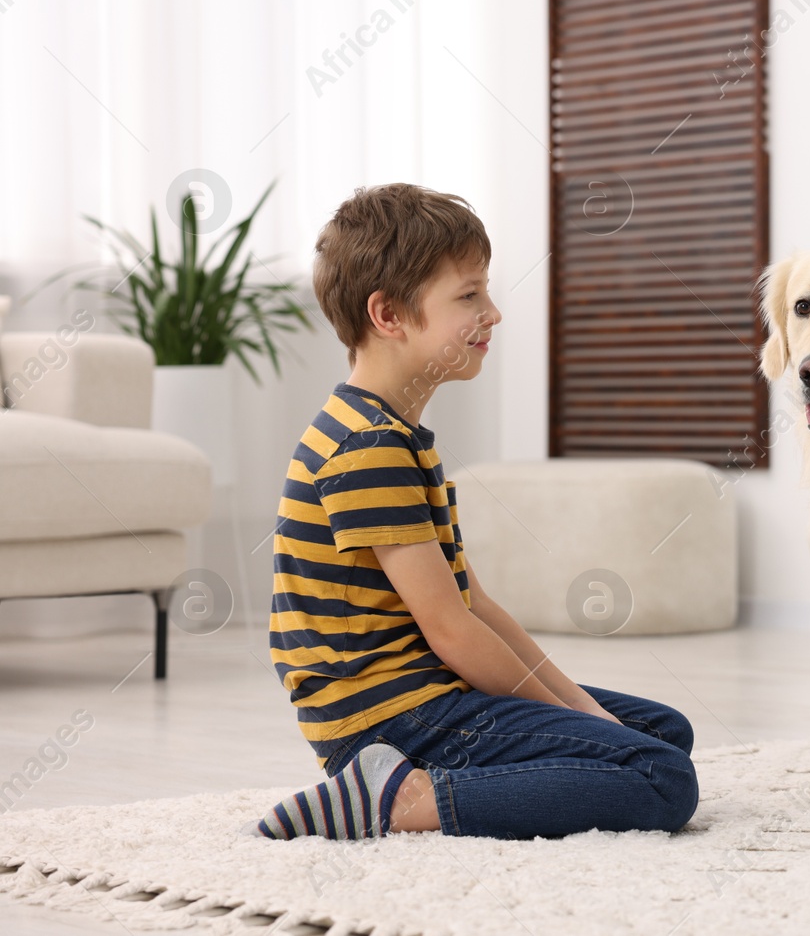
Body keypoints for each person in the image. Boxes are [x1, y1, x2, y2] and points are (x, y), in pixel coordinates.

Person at [257, 182, 697, 840]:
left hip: (426, 697)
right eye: (469, 296)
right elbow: (452, 632)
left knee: (660, 732)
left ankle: (431, 783)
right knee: (662, 779)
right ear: (389, 315)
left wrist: (575, 708)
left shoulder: (390, 430)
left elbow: (475, 605)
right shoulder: (367, 445)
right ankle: (397, 801)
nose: (492, 312)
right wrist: (569, 716)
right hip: (391, 719)